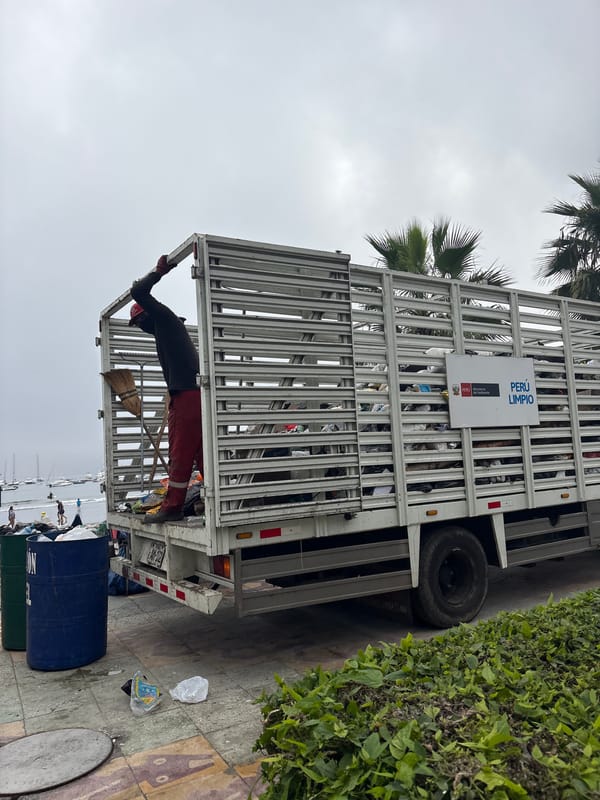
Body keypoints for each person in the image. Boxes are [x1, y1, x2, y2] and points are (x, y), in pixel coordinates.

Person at [129, 254, 203, 523]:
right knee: (201, 452)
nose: (140, 328)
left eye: (139, 323)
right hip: (191, 394)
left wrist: (159, 271)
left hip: (186, 396)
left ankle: (172, 506)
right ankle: (213, 498)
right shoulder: (167, 328)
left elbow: (137, 291)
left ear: (146, 314)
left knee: (180, 453)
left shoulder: (163, 318)